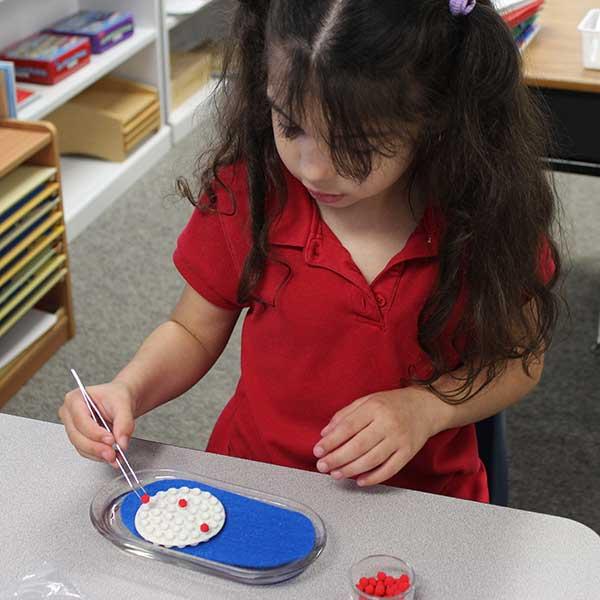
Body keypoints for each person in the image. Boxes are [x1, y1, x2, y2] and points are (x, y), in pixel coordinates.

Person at [59, 0, 563, 502]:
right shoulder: (251, 193)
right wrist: (129, 390)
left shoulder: (487, 216)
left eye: (354, 144)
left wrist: (427, 408)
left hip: (422, 499)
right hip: (258, 483)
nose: (314, 168)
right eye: (289, 125)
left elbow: (519, 361)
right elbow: (192, 329)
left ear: (434, 116)